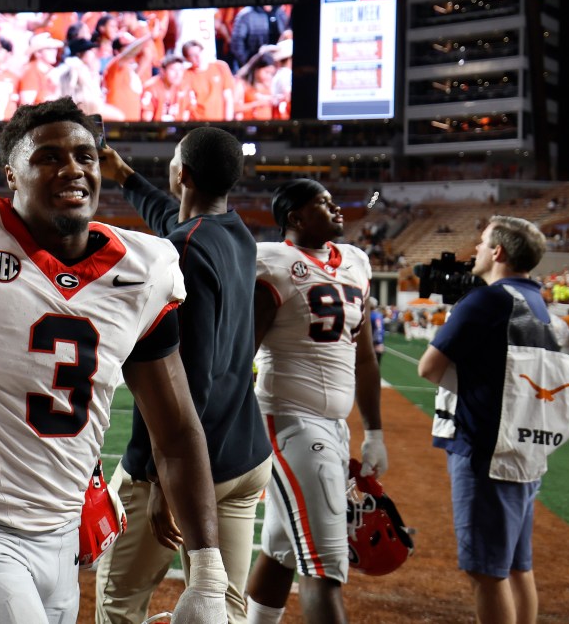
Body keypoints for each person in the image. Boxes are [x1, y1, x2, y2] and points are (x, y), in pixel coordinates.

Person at [0, 97, 227, 624]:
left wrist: (208, 574)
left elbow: (176, 427)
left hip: (62, 540)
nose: (72, 168)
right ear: (10, 175)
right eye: (49, 157)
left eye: (85, 156)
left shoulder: (145, 270)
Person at [94, 128, 272, 624]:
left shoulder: (186, 250)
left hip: (195, 468)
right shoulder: (235, 233)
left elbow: (185, 384)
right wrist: (125, 176)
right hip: (247, 457)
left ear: (182, 174)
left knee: (119, 599)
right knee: (225, 607)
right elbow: (174, 221)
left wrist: (158, 481)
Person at [418, 215, 569, 624]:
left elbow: (429, 367)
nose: (474, 249)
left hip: (484, 448)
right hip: (525, 450)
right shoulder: (541, 304)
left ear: (498, 252)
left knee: (485, 571)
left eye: (482, 242)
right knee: (515, 566)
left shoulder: (488, 300)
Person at [245, 178, 386, 624]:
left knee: (281, 550)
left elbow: (363, 358)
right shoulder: (272, 261)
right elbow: (243, 348)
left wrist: (375, 431)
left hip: (333, 426)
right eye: (322, 204)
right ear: (295, 217)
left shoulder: (357, 263)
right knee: (325, 564)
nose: (337, 209)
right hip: (288, 419)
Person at [182, 40, 236, 121]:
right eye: (192, 55)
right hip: (198, 123)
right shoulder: (186, 74)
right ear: (187, 59)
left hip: (219, 122)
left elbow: (228, 98)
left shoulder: (220, 67)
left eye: (199, 52)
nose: (197, 56)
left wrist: (228, 122)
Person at [229, 6, 289, 72]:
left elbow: (286, 33)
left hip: (277, 65)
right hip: (255, 66)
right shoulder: (246, 14)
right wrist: (249, 65)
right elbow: (236, 43)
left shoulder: (280, 12)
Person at [18, 32, 64, 106]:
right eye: (49, 49)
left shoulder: (53, 71)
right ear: (38, 53)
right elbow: (26, 107)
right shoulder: (30, 72)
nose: (54, 52)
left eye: (55, 49)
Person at [369, 296, 386, 365]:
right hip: (379, 344)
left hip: (373, 345)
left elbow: (376, 331)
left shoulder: (370, 316)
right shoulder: (379, 315)